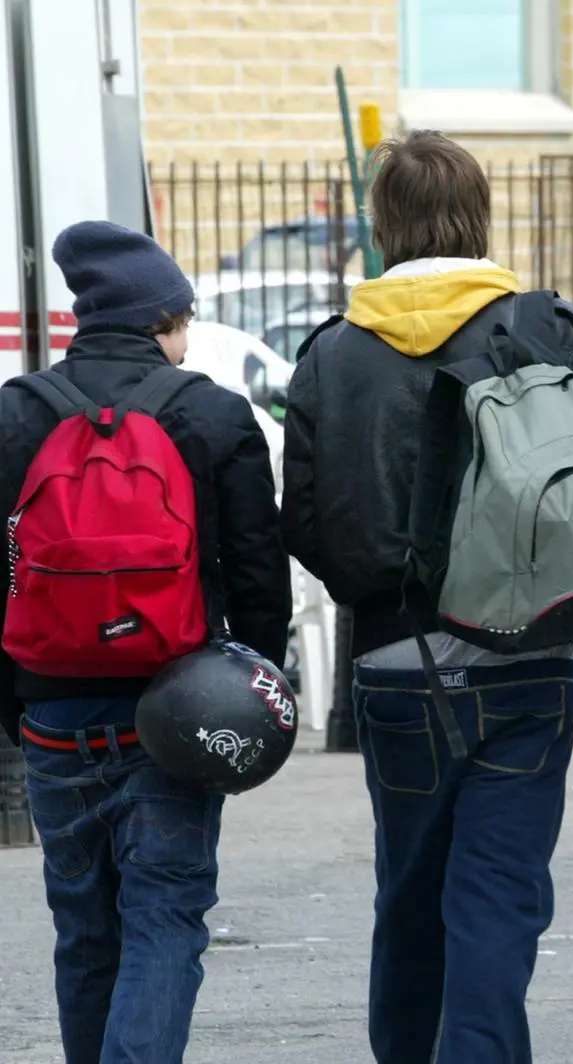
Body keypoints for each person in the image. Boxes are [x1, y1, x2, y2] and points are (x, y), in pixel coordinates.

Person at [281, 130, 573, 1064]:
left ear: (384, 225)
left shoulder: (332, 355)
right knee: (498, 897)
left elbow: (302, 520)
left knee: (409, 892)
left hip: (396, 660)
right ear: (478, 216)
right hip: (528, 653)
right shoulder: (545, 328)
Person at [0, 221, 292, 1064]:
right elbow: (257, 574)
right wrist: (256, 692)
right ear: (162, 319)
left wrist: (16, 703)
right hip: (176, 714)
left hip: (51, 712)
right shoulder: (210, 412)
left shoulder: (18, 414)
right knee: (164, 917)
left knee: (83, 928)